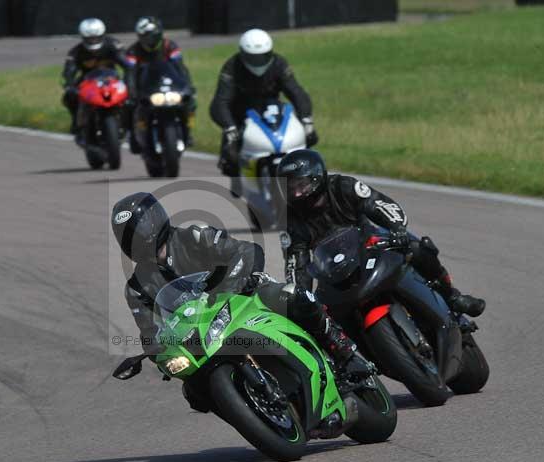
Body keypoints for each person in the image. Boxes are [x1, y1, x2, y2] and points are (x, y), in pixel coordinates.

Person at [110, 192, 368, 390]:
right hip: (201, 334)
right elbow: (149, 332)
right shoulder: (136, 288)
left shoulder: (193, 237)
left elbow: (244, 251)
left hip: (244, 297)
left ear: (155, 220)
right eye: (127, 234)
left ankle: (345, 352)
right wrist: (157, 351)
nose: (136, 237)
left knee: (294, 296)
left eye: (139, 228)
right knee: (194, 391)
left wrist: (238, 283)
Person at [275, 149, 486, 318]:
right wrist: (300, 295)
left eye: (301, 185)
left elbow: (379, 204)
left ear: (316, 178)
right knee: (323, 312)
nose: (296, 193)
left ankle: (453, 297)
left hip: (372, 244)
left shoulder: (344, 186)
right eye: (290, 187)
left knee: (417, 247)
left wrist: (397, 228)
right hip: (333, 268)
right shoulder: (291, 219)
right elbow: (296, 262)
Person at [209, 29, 317, 196]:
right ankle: (237, 177)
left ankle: (307, 174)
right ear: (243, 54)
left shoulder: (279, 63)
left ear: (270, 52)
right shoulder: (232, 66)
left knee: (309, 138)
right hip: (241, 113)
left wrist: (307, 120)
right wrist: (230, 128)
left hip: (272, 110)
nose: (258, 62)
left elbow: (296, 92)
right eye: (253, 57)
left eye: (262, 56)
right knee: (230, 155)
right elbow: (220, 102)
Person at [125, 16, 196, 153]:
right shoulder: (133, 51)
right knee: (128, 105)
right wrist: (131, 92)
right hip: (144, 87)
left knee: (191, 102)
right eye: (143, 35)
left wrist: (187, 86)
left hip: (168, 85)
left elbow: (180, 68)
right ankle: (132, 134)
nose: (147, 39)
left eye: (149, 35)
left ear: (158, 33)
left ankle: (188, 130)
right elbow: (130, 73)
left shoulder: (170, 46)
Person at [61, 18, 130, 144]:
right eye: (89, 38)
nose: (93, 41)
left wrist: (129, 78)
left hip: (111, 79)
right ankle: (77, 124)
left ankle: (130, 124)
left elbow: (127, 64)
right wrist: (69, 84)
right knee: (69, 96)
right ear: (82, 37)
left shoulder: (113, 44)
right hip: (87, 80)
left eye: (96, 37)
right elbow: (68, 71)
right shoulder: (76, 52)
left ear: (102, 35)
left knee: (131, 96)